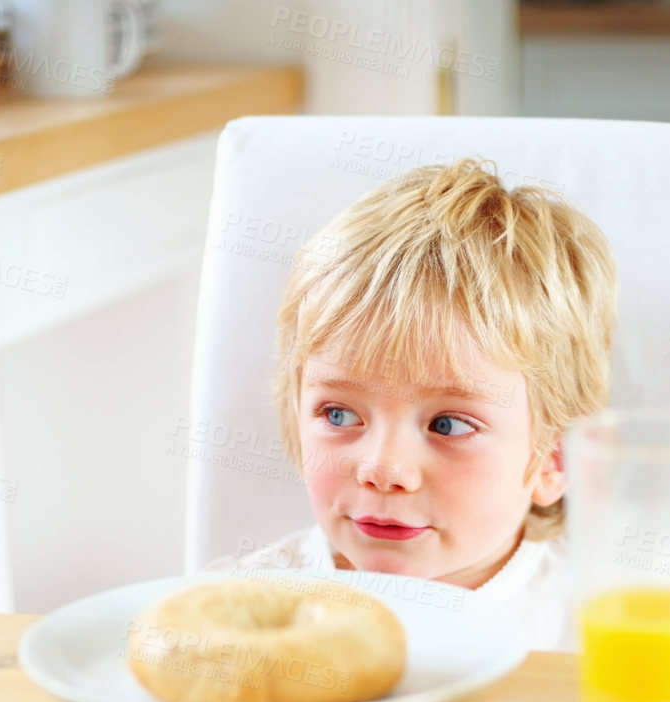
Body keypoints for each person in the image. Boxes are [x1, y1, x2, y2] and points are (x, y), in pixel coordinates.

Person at [222, 157, 618, 650]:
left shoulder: (609, 622)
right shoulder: (241, 610)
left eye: (448, 424)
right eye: (339, 414)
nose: (383, 469)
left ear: (555, 456)